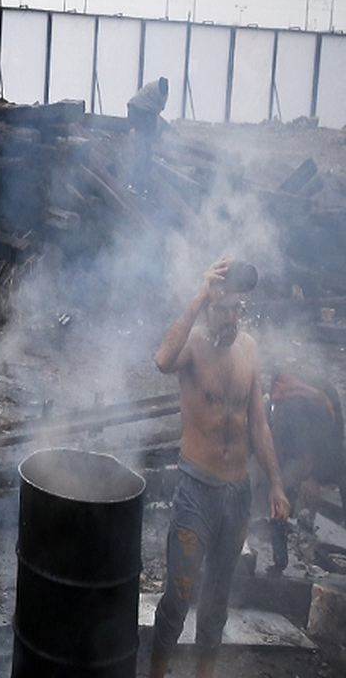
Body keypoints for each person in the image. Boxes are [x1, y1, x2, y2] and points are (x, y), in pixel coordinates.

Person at [149, 258, 290, 678]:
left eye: (236, 309)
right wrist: (197, 298)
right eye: (221, 307)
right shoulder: (191, 344)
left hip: (237, 495)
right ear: (209, 307)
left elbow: (258, 423)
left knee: (217, 601)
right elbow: (160, 360)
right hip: (196, 490)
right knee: (179, 595)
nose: (229, 317)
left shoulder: (249, 349)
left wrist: (277, 485)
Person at [267, 370, 345, 572]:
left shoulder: (319, 401)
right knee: (282, 491)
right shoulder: (277, 401)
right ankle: (282, 550)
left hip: (325, 452)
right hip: (297, 452)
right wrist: (277, 484)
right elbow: (276, 442)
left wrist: (315, 479)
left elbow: (334, 440)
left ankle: (310, 530)